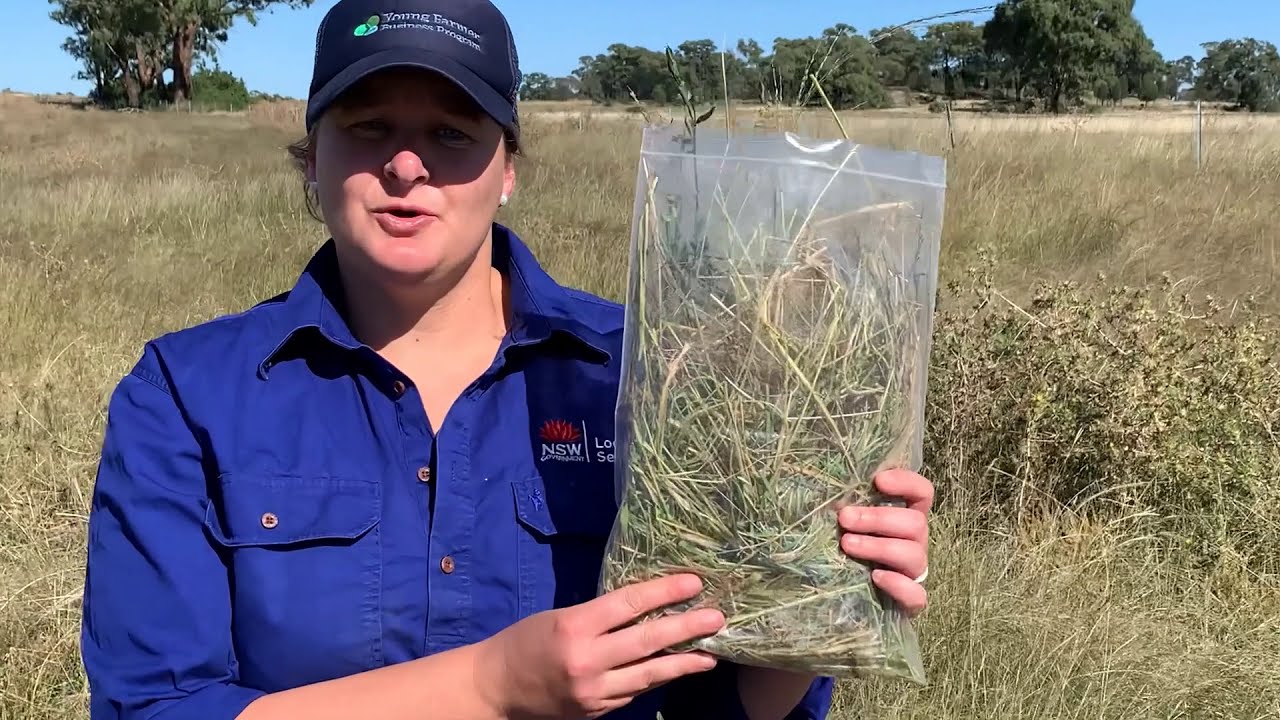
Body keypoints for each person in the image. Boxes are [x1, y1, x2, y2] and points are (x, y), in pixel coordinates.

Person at [78, 0, 934, 718]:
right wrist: (491, 686)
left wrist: (825, 583)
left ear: (508, 168)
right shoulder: (187, 395)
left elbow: (726, 706)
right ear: (312, 159)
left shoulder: (654, 371)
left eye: (451, 133)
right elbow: (154, 706)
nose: (406, 164)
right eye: (368, 127)